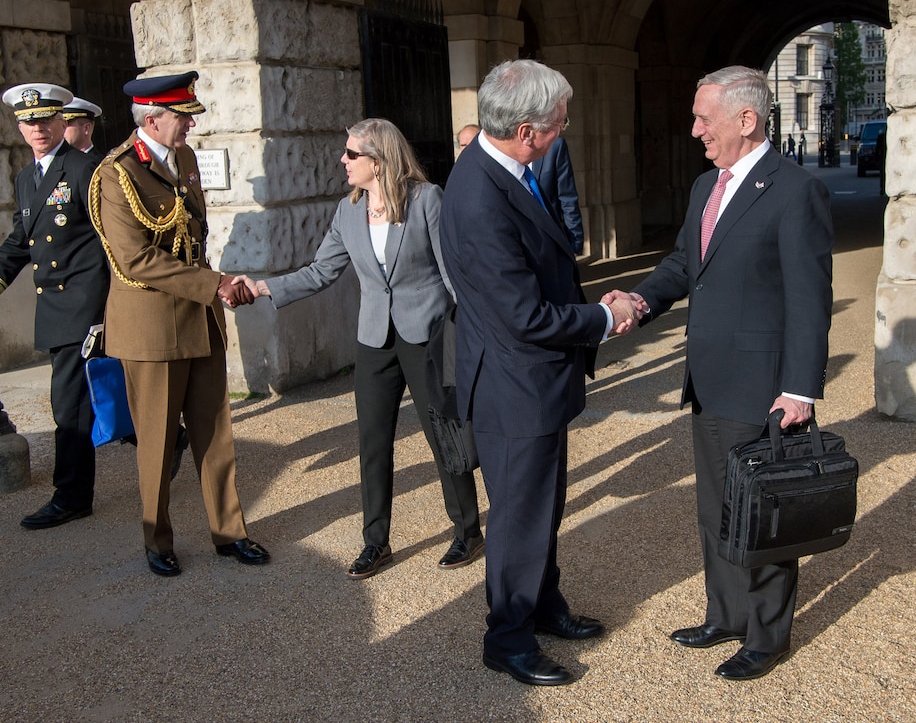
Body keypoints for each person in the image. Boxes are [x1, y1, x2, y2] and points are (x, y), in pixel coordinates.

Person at [608, 65, 833, 681]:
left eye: (704, 117)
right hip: (707, 378)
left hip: (762, 386)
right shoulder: (705, 185)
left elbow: (809, 300)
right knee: (716, 509)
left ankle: (766, 635)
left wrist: (800, 388)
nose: (694, 129)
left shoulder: (793, 190)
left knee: (763, 511)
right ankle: (727, 613)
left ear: (746, 119)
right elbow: (685, 263)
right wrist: (640, 302)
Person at [440, 59, 639, 687]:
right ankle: (508, 636)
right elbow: (523, 314)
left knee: (541, 508)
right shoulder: (478, 195)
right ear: (526, 130)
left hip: (532, 380)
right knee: (520, 517)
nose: (565, 130)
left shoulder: (507, 171)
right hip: (512, 383)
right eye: (558, 123)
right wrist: (602, 321)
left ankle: (544, 605)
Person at [252, 118, 483, 579]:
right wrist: (262, 287)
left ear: (378, 161)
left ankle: (467, 530)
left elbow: (454, 275)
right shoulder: (347, 211)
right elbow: (320, 271)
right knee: (372, 442)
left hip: (427, 336)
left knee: (444, 434)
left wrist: (476, 334)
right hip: (375, 340)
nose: (343, 160)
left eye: (351, 154)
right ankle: (376, 543)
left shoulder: (426, 200)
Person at [89, 70, 268, 577]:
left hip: (198, 316)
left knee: (215, 431)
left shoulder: (183, 158)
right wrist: (214, 284)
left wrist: (211, 286)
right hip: (151, 324)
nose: (190, 126)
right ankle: (157, 538)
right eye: (182, 117)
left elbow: (193, 236)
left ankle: (230, 533)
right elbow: (135, 260)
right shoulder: (116, 173)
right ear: (153, 119)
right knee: (158, 439)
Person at [0, 83, 108, 529]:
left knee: (69, 406)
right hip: (55, 308)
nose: (37, 128)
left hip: (86, 306)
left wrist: (111, 306)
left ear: (63, 121)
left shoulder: (88, 169)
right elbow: (19, 244)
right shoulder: (28, 178)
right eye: (29, 122)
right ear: (20, 127)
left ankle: (71, 496)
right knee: (95, 395)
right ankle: (168, 437)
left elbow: (115, 241)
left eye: (45, 119)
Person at [529, 137, 585, 254]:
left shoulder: (554, 145)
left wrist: (575, 242)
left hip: (550, 242)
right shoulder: (498, 148)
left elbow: (568, 198)